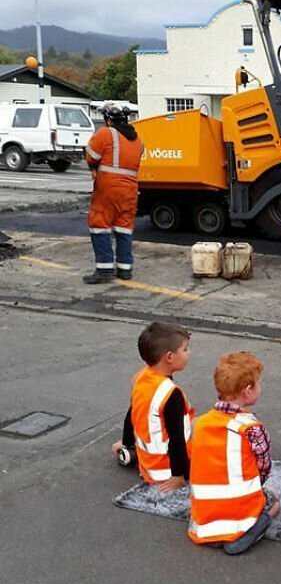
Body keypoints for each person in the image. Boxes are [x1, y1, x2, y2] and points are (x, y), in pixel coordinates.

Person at [188, 351, 280, 555]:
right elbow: (263, 467)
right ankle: (246, 533)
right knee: (274, 502)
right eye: (258, 383)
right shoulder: (251, 427)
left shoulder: (200, 424)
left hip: (204, 521)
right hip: (240, 512)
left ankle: (217, 533)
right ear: (248, 391)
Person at [111, 321, 195, 493]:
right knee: (215, 435)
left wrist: (127, 443)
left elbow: (132, 415)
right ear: (169, 357)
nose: (189, 353)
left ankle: (130, 452)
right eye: (185, 349)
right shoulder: (171, 394)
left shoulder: (140, 378)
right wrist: (178, 477)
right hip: (167, 470)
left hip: (147, 463)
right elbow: (177, 439)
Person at [83, 102, 144, 284]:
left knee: (99, 224)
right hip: (130, 190)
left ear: (109, 120)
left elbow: (91, 157)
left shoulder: (105, 133)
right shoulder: (138, 140)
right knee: (124, 227)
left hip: (108, 188)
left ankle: (104, 269)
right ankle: (125, 269)